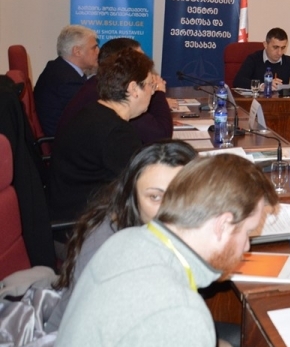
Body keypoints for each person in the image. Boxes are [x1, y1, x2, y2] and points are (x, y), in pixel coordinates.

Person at [52, 154, 277, 347]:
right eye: (248, 232)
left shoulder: (126, 239)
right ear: (223, 225)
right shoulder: (179, 313)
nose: (247, 246)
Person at [47, 140, 197, 332]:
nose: (169, 208)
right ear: (133, 198)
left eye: (181, 194)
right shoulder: (110, 251)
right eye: (155, 197)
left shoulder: (157, 232)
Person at [49, 48, 154, 221]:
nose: (153, 91)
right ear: (134, 88)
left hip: (69, 210)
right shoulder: (116, 132)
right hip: (84, 226)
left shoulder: (93, 111)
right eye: (150, 84)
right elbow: (146, 184)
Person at [57, 38, 173, 143]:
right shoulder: (113, 97)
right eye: (138, 60)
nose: (144, 63)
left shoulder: (99, 84)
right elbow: (160, 135)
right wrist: (158, 91)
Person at [34, 25, 99, 136]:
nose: (98, 51)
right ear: (77, 51)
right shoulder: (67, 80)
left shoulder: (58, 68)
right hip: (64, 139)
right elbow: (93, 114)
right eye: (94, 48)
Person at [232, 27, 290, 91]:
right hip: (258, 102)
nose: (279, 52)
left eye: (283, 48)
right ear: (265, 45)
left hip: (281, 103)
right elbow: (238, 81)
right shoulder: (253, 59)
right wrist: (262, 85)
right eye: (275, 47)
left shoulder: (287, 61)